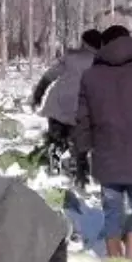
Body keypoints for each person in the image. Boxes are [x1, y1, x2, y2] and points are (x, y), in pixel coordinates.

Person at [74, 24, 132, 260]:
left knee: (112, 214)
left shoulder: (90, 76)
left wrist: (82, 155)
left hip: (106, 161)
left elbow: (82, 120)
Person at [29, 29, 102, 172]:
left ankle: (54, 168)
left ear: (85, 43)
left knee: (57, 141)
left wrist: (38, 94)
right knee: (80, 142)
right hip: (80, 110)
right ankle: (80, 172)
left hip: (58, 104)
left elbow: (49, 75)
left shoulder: (70, 57)